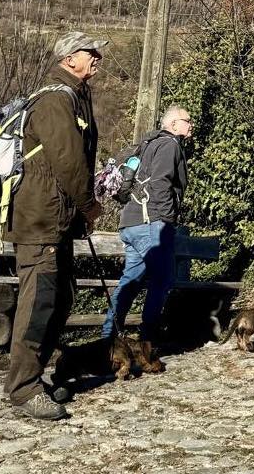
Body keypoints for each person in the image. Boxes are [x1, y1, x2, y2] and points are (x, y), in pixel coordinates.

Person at [4, 31, 106, 420]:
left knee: (60, 297)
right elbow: (69, 162)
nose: (97, 57)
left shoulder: (74, 96)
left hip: (55, 220)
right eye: (90, 51)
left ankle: (34, 379)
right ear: (68, 59)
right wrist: (89, 207)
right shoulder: (55, 101)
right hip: (40, 221)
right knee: (39, 303)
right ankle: (23, 389)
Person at [100, 105, 191, 352]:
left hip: (131, 223)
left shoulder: (147, 143)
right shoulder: (170, 144)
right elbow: (161, 182)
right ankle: (148, 340)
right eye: (187, 120)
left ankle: (108, 339)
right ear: (173, 124)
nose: (191, 124)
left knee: (131, 280)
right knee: (161, 280)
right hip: (151, 222)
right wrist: (166, 218)